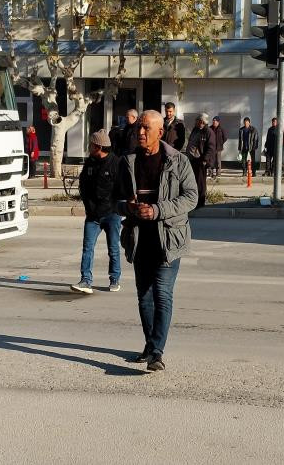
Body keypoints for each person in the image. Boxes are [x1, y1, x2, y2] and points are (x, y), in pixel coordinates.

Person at [115, 110, 198, 372]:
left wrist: (157, 210)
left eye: (146, 128)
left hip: (168, 239)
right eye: (138, 127)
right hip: (139, 240)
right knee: (144, 298)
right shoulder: (127, 162)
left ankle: (157, 351)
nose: (140, 132)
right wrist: (128, 208)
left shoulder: (178, 161)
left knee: (162, 294)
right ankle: (150, 346)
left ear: (160, 133)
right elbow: (115, 201)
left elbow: (191, 197)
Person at [70, 130, 122, 294]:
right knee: (87, 248)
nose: (89, 147)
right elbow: (83, 185)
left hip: (112, 214)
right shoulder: (90, 162)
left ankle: (114, 279)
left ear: (98, 146)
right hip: (93, 216)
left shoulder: (116, 163)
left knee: (113, 248)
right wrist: (88, 206)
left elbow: (122, 189)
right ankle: (86, 280)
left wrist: (117, 207)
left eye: (91, 144)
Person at [185, 113, 215, 208]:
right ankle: (193, 201)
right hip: (192, 159)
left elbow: (211, 147)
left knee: (200, 183)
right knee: (192, 182)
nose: (195, 122)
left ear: (201, 121)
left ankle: (200, 202)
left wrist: (205, 160)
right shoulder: (195, 129)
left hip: (200, 160)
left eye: (197, 120)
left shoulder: (208, 132)